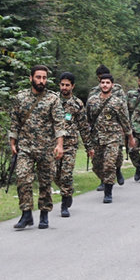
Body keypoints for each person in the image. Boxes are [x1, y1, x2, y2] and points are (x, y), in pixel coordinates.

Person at [9, 65, 65, 230]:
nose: (41, 81)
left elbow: (59, 123)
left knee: (45, 182)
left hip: (46, 147)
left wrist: (59, 145)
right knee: (22, 178)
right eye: (38, 77)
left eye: (44, 78)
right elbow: (15, 121)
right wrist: (12, 141)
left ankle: (44, 214)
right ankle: (26, 213)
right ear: (31, 78)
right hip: (25, 147)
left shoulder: (52, 99)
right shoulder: (21, 98)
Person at [87, 74, 136, 203]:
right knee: (97, 166)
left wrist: (130, 137)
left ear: (112, 85)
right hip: (97, 138)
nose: (104, 85)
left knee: (109, 165)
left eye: (107, 82)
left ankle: (108, 192)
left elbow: (125, 120)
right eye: (102, 82)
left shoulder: (117, 102)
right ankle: (109, 176)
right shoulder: (92, 101)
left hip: (113, 138)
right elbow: (88, 120)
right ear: (99, 84)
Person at [56, 72, 92, 217]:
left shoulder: (77, 104)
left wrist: (89, 146)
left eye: (67, 85)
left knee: (66, 174)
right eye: (62, 85)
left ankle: (64, 204)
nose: (64, 88)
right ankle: (68, 191)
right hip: (53, 144)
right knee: (54, 174)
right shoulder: (53, 101)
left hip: (70, 144)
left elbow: (83, 126)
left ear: (73, 86)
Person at [89, 65, 126, 190]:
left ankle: (117, 171)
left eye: (106, 80)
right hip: (98, 132)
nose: (104, 83)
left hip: (114, 130)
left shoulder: (118, 90)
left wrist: (125, 129)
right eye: (101, 79)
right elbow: (89, 113)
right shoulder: (94, 92)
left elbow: (123, 108)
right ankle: (103, 180)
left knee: (115, 156)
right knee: (98, 162)